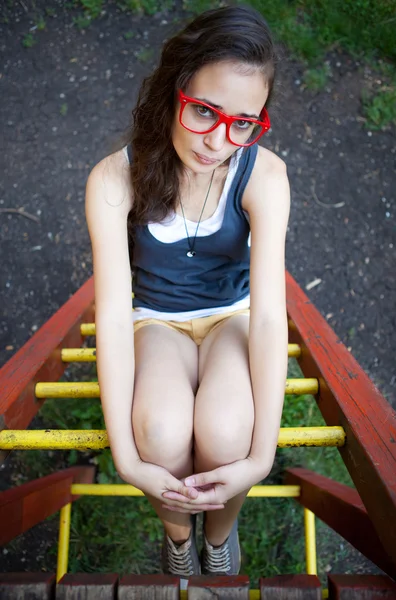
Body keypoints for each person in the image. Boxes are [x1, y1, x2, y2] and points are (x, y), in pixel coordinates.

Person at [85, 4, 290, 583]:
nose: (218, 140)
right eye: (204, 110)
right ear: (175, 91)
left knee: (227, 432)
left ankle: (219, 539)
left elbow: (271, 317)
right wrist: (125, 458)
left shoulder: (264, 176)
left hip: (232, 315)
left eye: (243, 123)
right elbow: (112, 311)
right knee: (160, 429)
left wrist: (260, 458)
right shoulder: (113, 178)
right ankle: (179, 539)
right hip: (157, 321)